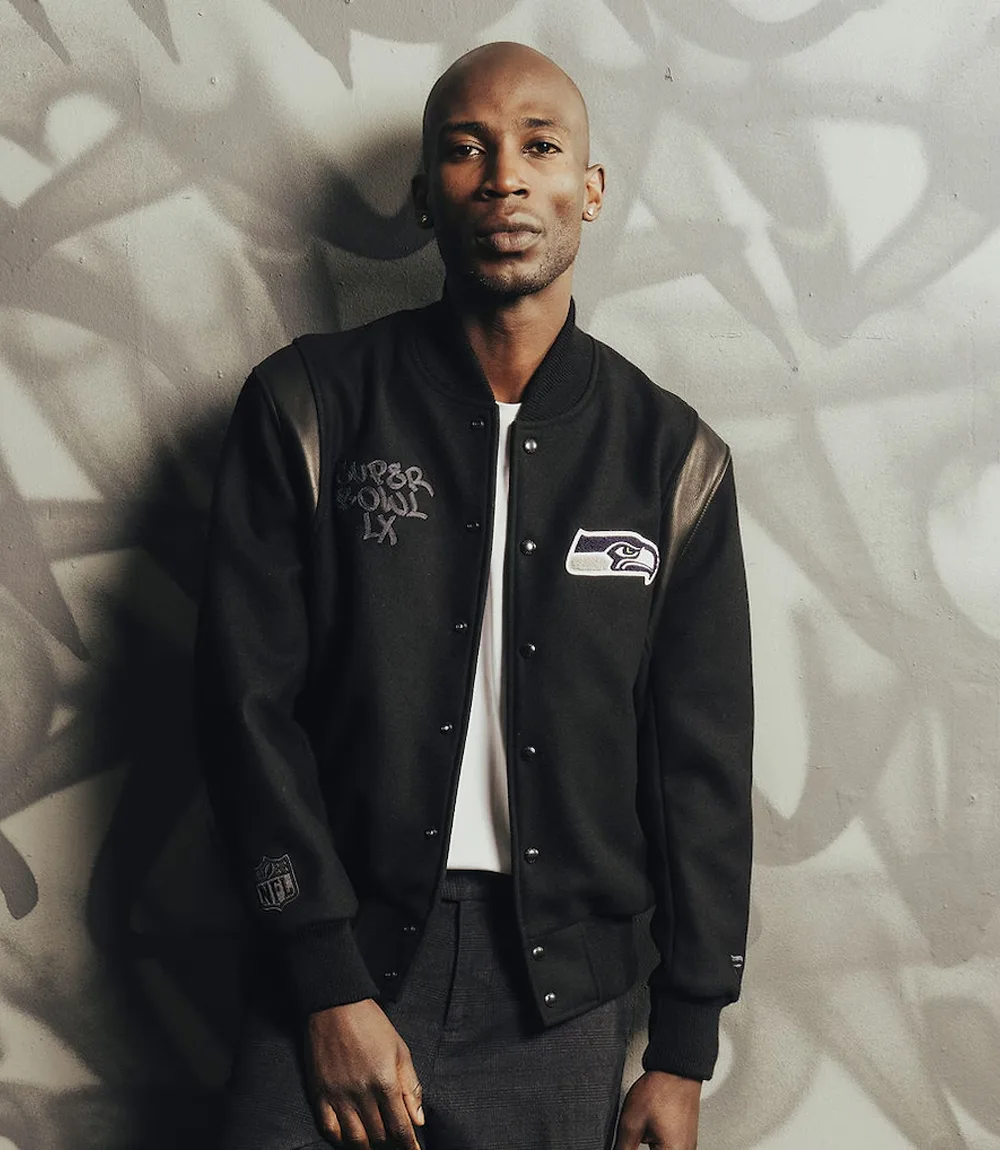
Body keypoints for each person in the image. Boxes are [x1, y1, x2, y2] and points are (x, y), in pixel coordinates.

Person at [196, 41, 753, 1150]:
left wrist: (684, 1045)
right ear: (423, 196)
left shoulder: (672, 460)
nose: (504, 177)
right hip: (335, 968)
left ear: (589, 189)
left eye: (540, 147)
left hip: (559, 1002)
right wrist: (325, 980)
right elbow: (243, 704)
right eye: (466, 149)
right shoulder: (308, 407)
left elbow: (699, 765)